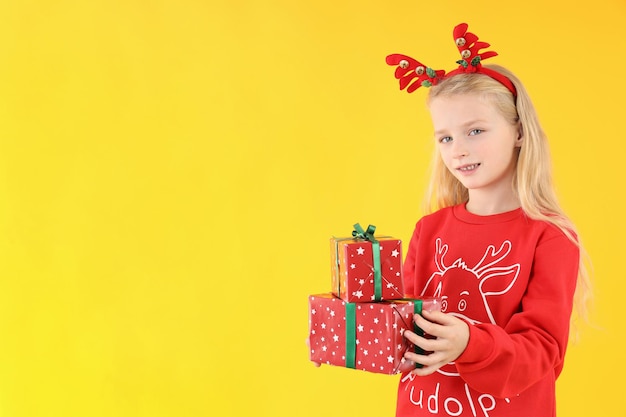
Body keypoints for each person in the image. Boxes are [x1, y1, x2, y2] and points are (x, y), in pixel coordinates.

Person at [385, 23, 591, 417]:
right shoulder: (429, 231)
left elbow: (542, 351)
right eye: (445, 138)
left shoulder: (550, 236)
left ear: (518, 131)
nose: (458, 151)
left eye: (475, 131)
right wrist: (355, 332)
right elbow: (406, 329)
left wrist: (469, 343)